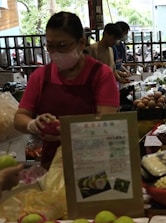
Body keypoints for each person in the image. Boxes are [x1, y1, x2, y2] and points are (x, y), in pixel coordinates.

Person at [14, 11, 120, 170]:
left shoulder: (101, 75)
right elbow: (20, 117)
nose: (55, 52)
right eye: (50, 46)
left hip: (94, 165)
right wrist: (33, 124)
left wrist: (69, 131)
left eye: (62, 46)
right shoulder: (41, 76)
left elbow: (107, 123)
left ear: (82, 43)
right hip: (52, 166)